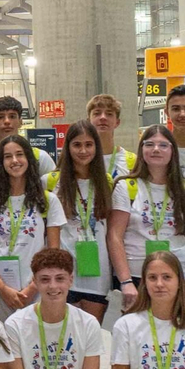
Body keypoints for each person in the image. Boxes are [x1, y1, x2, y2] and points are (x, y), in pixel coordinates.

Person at [108, 125, 185, 311]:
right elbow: (115, 236)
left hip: (180, 276)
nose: (155, 149)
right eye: (149, 144)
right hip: (137, 276)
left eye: (163, 145)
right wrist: (125, 281)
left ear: (172, 151)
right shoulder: (126, 186)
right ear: (141, 149)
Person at [0, 135, 65, 320]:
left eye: (19, 154)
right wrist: (1, 287)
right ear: (1, 163)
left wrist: (33, 287)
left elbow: (53, 249)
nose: (14, 161)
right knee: (0, 344)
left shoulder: (48, 200)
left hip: (36, 288)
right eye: (8, 156)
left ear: (29, 159)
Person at [50, 122, 114, 322]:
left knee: (92, 334)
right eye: (77, 145)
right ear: (68, 147)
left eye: (89, 144)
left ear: (96, 146)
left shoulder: (107, 182)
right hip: (66, 270)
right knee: (67, 334)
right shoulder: (52, 182)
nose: (83, 150)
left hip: (98, 272)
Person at [0, 96, 55, 188]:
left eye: (12, 116)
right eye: (1, 117)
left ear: (20, 122)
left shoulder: (40, 158)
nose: (7, 121)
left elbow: (53, 190)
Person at [86, 94, 136, 178]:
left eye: (109, 114)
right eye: (97, 113)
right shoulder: (81, 159)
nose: (103, 117)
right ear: (88, 121)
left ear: (117, 122)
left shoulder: (132, 162)